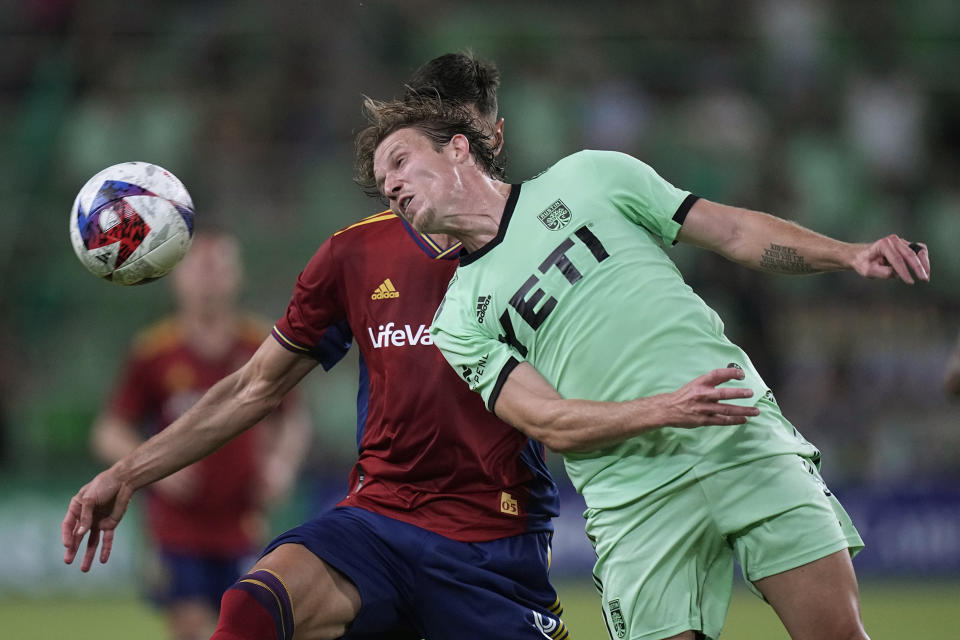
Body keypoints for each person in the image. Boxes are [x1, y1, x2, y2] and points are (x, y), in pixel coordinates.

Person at [355, 95, 932, 640]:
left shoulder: (588, 176)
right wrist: (667, 409)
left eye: (400, 162)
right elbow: (549, 422)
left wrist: (848, 254)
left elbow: (732, 232)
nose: (394, 188)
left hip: (737, 431)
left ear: (457, 148)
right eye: (384, 186)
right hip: (632, 497)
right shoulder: (457, 317)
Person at [63, 53, 569, 640]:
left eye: (467, 136)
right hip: (378, 523)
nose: (454, 151)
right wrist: (128, 473)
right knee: (252, 606)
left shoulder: (547, 239)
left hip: (494, 542)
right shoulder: (353, 255)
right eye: (436, 136)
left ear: (490, 138)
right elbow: (256, 387)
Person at [90, 229, 312, 640]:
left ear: (237, 277)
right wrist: (153, 467)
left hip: (244, 519)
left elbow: (293, 419)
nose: (209, 278)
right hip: (177, 527)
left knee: (248, 624)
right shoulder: (154, 351)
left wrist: (282, 463)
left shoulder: (261, 344)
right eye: (200, 268)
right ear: (176, 276)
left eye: (219, 267)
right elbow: (108, 430)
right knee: (191, 625)